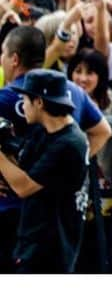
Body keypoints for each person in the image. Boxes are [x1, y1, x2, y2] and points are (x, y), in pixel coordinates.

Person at [0, 24, 112, 272]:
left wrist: (64, 168)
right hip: (42, 218)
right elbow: (103, 131)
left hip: (26, 217)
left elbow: (24, 185)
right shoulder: (72, 94)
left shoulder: (5, 98)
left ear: (14, 58)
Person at [0, 69, 89, 274]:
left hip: (51, 247)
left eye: (24, 99)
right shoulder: (44, 131)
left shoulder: (69, 143)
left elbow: (24, 186)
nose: (22, 105)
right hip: (31, 239)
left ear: (39, 102)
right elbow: (21, 169)